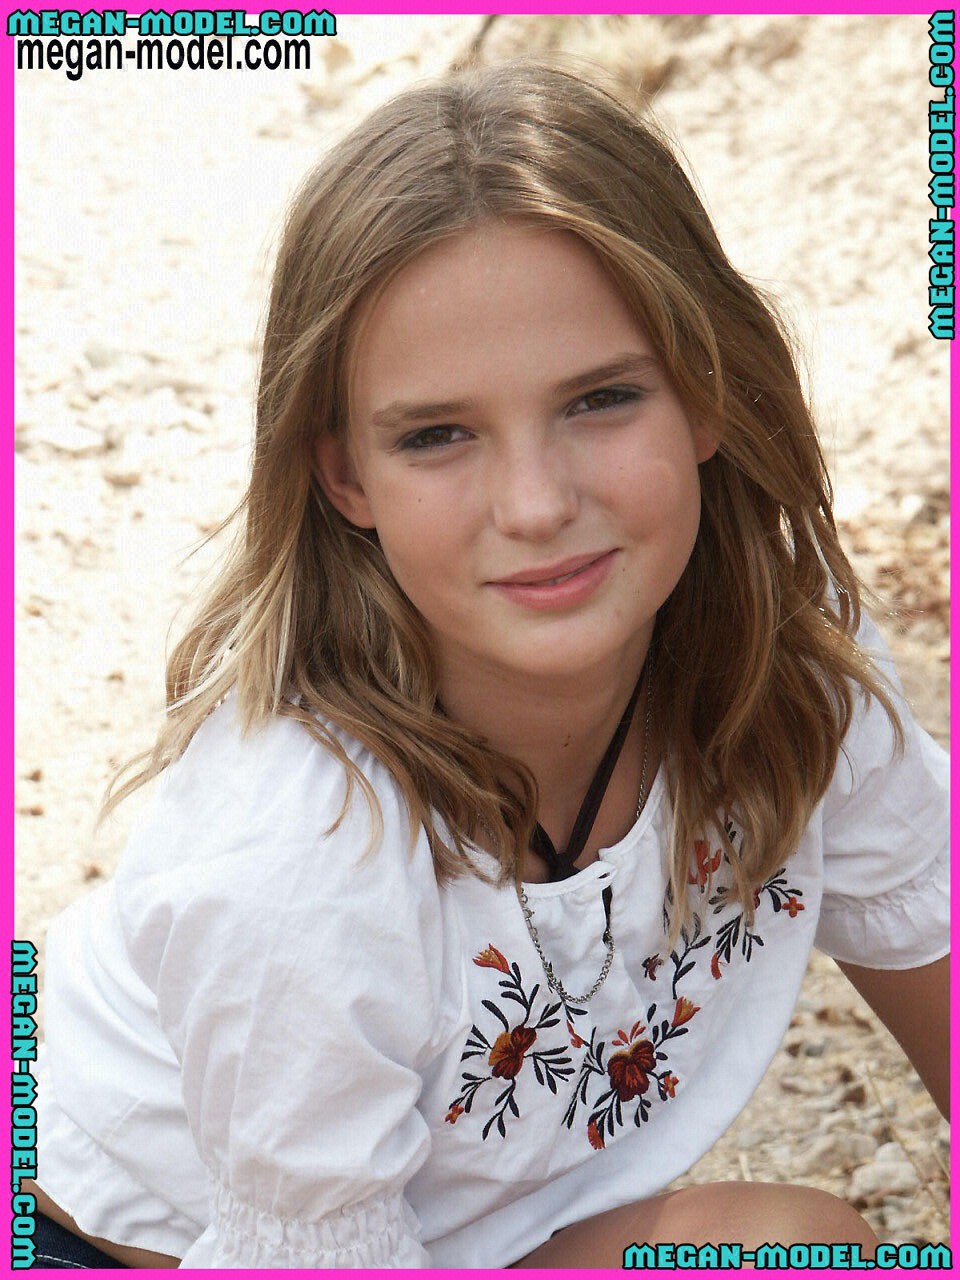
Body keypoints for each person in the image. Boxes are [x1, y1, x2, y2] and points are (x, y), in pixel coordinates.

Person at [26, 60, 948, 1269]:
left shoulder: (791, 663)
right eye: (437, 434)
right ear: (344, 475)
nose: (534, 503)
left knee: (800, 1249)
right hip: (130, 1235)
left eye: (601, 399)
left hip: (453, 1226)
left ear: (708, 389)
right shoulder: (300, 859)